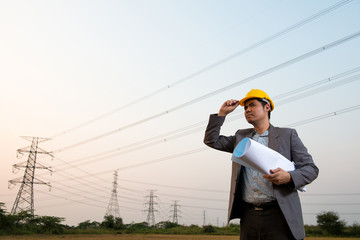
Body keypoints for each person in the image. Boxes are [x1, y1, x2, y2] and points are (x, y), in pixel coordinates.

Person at [203, 89, 319, 240]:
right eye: (245, 108)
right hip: (249, 216)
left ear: (267, 107)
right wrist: (222, 114)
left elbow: (311, 169)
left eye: (252, 105)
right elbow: (212, 141)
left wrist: (289, 176)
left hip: (280, 214)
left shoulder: (287, 135)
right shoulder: (241, 137)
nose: (248, 110)